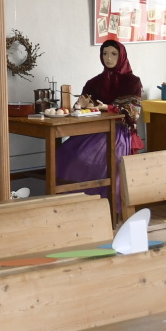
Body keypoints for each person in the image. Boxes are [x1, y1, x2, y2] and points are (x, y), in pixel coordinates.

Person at [56, 39, 142, 215]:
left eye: (113, 54)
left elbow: (133, 113)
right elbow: (83, 107)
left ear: (121, 56)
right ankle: (74, 205)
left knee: (88, 159)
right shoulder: (94, 82)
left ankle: (103, 207)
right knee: (64, 153)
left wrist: (107, 107)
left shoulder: (132, 82)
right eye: (105, 54)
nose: (108, 58)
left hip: (118, 131)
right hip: (93, 129)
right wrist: (80, 104)